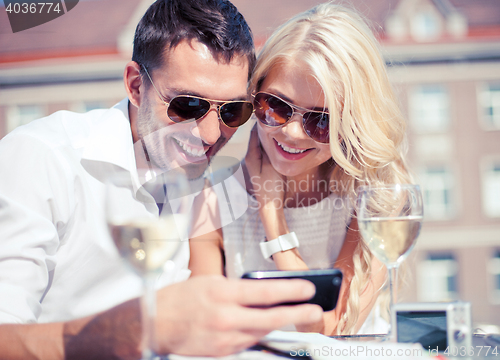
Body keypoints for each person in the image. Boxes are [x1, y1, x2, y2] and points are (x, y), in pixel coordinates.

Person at [0, 0, 323, 358]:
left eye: (233, 111)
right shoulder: (42, 158)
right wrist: (133, 331)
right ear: (137, 86)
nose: (212, 134)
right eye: (188, 106)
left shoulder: (202, 181)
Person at [189, 2, 413, 336]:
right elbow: (207, 331)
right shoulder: (210, 201)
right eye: (275, 107)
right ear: (254, 95)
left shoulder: (371, 201)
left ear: (352, 123)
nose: (292, 133)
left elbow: (331, 331)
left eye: (320, 120)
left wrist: (273, 219)